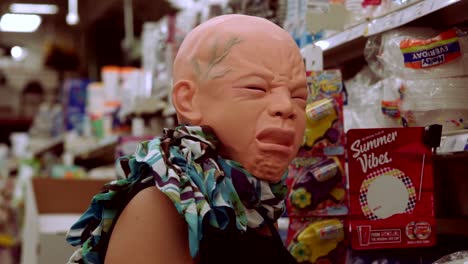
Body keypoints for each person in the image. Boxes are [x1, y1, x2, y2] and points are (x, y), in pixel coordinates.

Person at [66, 14, 307, 264]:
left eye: (299, 96)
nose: (286, 106)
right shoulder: (161, 209)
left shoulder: (250, 201)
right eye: (256, 88)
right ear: (188, 100)